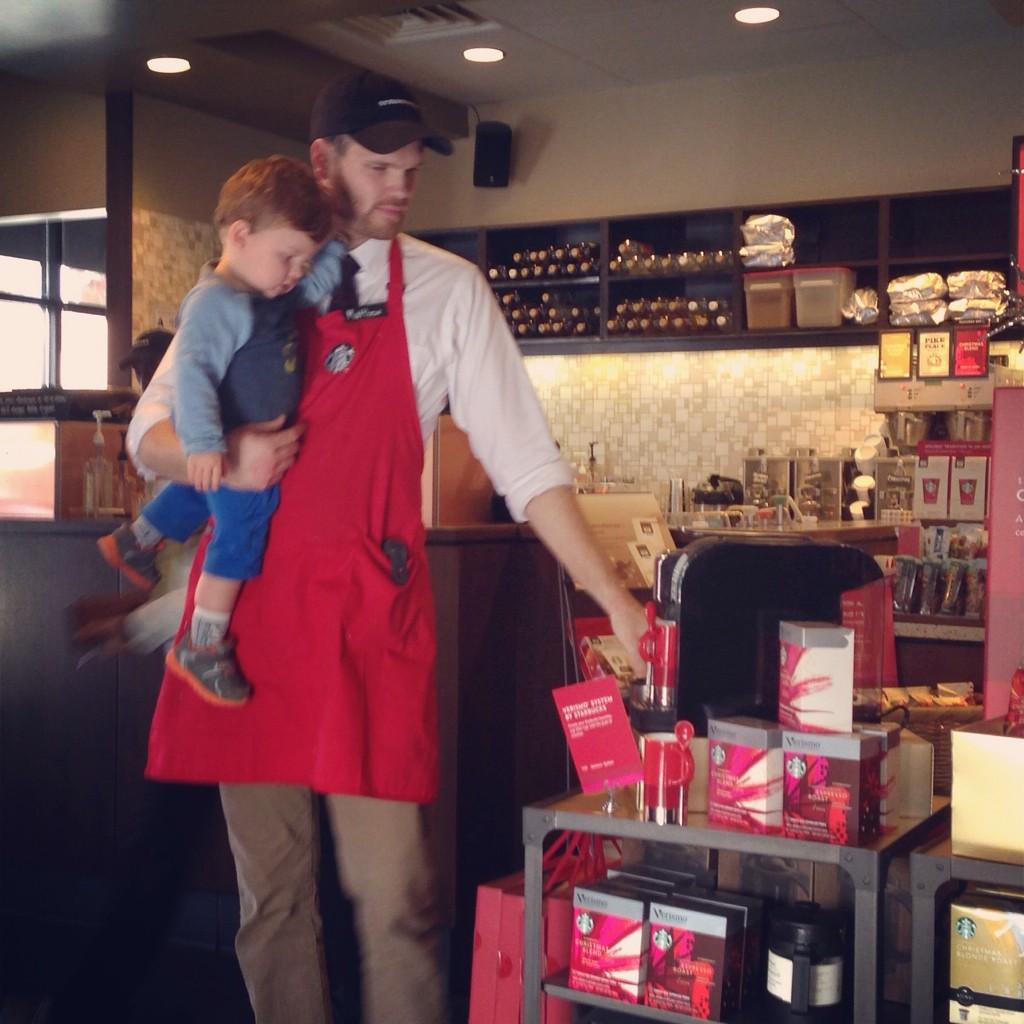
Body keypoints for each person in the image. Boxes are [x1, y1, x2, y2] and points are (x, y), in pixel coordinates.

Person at [128, 71, 648, 1024]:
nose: (401, 186)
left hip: (366, 624)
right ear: (322, 163)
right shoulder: (239, 287)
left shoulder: (448, 292)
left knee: (399, 898)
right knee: (272, 897)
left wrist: (611, 595)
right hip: (241, 631)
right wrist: (222, 453)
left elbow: (527, 463)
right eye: (380, 166)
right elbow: (145, 435)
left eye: (411, 167)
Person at [99, 155, 341, 705]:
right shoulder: (215, 303)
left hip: (238, 436)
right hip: (232, 442)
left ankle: (137, 540)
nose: (296, 272)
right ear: (240, 234)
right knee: (239, 536)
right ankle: (202, 643)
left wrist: (337, 243)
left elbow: (315, 282)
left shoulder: (265, 292)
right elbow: (195, 375)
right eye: (288, 257)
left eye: (302, 260)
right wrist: (207, 446)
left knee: (197, 493)